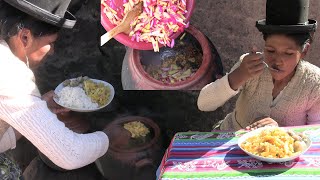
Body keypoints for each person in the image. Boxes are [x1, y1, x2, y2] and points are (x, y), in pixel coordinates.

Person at [0, 0, 111, 172]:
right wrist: (110, 137)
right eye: (50, 43)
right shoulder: (10, 73)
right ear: (25, 37)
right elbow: (71, 154)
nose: (52, 51)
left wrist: (38, 108)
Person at [197, 0, 320, 131]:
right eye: (270, 50)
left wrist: (280, 132)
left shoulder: (314, 83)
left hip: (282, 149)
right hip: (231, 138)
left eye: (288, 53)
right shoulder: (250, 66)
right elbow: (204, 104)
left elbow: (315, 133)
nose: (277, 60)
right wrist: (239, 75)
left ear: (304, 51)